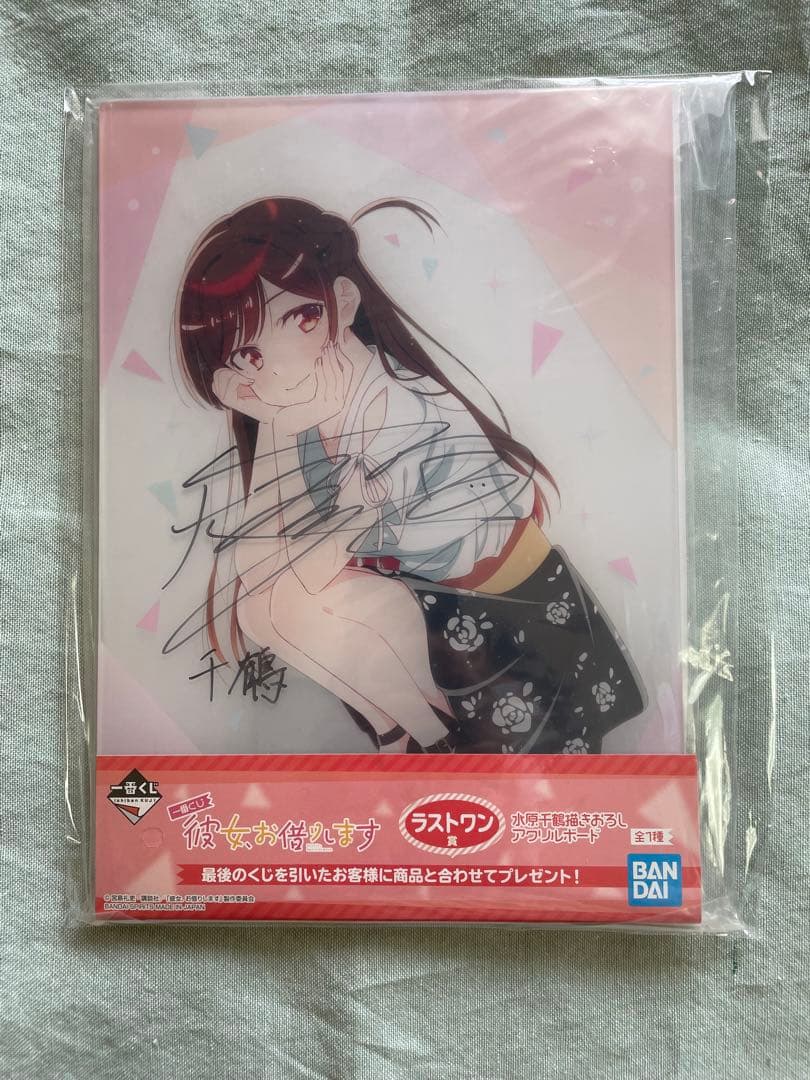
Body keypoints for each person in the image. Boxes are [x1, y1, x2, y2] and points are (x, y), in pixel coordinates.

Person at [174, 196, 644, 754]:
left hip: (509, 615)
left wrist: (276, 413)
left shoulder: (399, 409)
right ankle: (408, 735)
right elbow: (256, 565)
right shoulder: (310, 407)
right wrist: (269, 416)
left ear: (344, 301)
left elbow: (310, 572)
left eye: (301, 318)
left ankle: (425, 741)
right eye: (249, 355)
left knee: (294, 603)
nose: (277, 360)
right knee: (262, 609)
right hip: (439, 609)